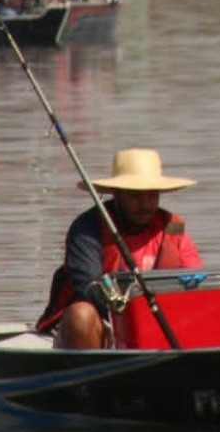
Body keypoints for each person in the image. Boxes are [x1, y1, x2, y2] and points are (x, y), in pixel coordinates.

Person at [37, 147, 203, 349]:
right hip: (98, 323)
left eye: (152, 196)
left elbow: (197, 288)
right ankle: (90, 377)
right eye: (135, 196)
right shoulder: (87, 228)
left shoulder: (173, 229)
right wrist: (135, 309)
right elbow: (88, 289)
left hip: (156, 323)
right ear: (116, 195)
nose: (145, 204)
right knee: (81, 315)